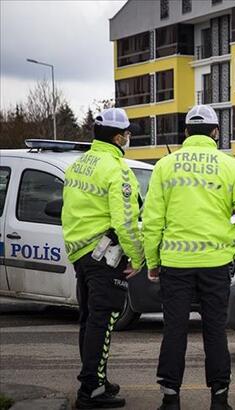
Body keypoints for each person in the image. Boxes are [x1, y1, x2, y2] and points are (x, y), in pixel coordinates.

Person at [143, 105, 235, 410]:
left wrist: (152, 262)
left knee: (174, 330)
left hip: (175, 265)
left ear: (185, 133)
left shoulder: (164, 166)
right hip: (215, 263)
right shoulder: (231, 166)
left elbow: (152, 220)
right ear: (215, 132)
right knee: (214, 331)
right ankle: (219, 400)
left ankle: (170, 399)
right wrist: (232, 238)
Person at [62, 108, 145, 409]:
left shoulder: (78, 165)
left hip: (81, 253)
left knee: (89, 319)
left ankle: (96, 379)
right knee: (103, 320)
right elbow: (126, 221)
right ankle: (90, 391)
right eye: (127, 133)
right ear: (119, 136)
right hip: (105, 256)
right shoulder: (117, 169)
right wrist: (137, 257)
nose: (129, 138)